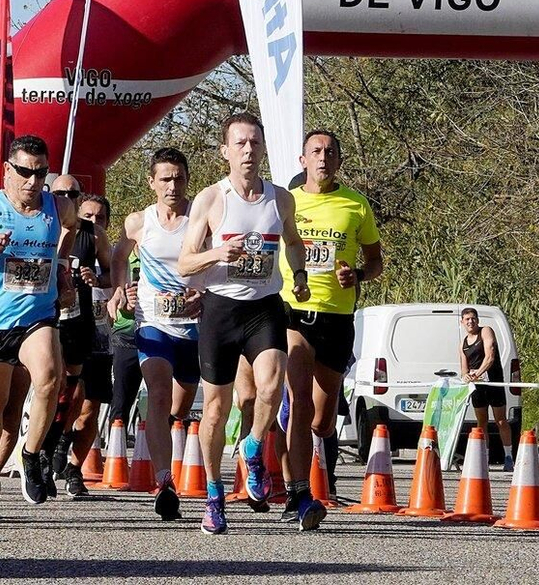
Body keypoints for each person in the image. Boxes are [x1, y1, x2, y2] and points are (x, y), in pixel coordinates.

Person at [178, 113, 314, 535]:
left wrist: (302, 275)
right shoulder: (210, 200)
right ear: (225, 152)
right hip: (221, 309)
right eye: (240, 144)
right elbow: (185, 263)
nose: (248, 150)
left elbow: (293, 243)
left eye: (254, 143)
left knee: (274, 385)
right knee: (216, 410)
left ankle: (253, 445)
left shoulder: (280, 199)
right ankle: (215, 495)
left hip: (264, 305)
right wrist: (218, 255)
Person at [0, 134, 79, 528]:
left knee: (50, 378)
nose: (32, 181)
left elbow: (72, 228)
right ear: (8, 170)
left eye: (40, 173)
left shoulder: (58, 207)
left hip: (37, 318)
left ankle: (31, 453)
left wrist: (60, 269)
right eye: (24, 172)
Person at [283, 130, 384, 506]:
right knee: (300, 403)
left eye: (330, 152)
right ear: (303, 160)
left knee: (322, 420)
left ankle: (313, 459)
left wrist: (356, 275)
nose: (323, 157)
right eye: (315, 151)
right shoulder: (285, 203)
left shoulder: (356, 205)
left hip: (337, 316)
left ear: (339, 161)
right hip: (293, 313)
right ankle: (297, 492)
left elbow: (376, 262)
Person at [115, 147, 202, 521]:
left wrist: (205, 293)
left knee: (180, 409)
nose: (172, 185)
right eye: (165, 178)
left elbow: (216, 265)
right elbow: (118, 257)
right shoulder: (139, 222)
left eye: (179, 178)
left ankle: (163, 435)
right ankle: (165, 482)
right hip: (153, 323)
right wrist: (120, 290)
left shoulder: (202, 217)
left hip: (195, 328)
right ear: (152, 182)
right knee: (160, 394)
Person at [43, 175, 111, 498]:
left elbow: (113, 271)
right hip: (46, 323)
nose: (66, 197)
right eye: (60, 193)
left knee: (84, 404)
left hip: (85, 325)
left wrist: (97, 277)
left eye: (72, 193)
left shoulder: (92, 234)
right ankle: (47, 449)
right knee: (53, 392)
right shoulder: (40, 226)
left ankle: (69, 463)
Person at [64, 193, 115, 498]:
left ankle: (74, 468)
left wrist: (100, 279)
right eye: (88, 216)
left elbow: (114, 276)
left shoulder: (104, 245)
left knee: (90, 409)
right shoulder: (66, 240)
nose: (94, 222)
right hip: (69, 331)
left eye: (100, 217)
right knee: (69, 398)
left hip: (99, 336)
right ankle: (54, 444)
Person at [458, 307, 513, 470]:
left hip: (493, 383)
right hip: (478, 387)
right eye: (467, 319)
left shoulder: (486, 332)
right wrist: (467, 376)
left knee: (500, 420)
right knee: (481, 422)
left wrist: (479, 373)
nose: (470, 321)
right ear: (462, 322)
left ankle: (508, 457)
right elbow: (463, 368)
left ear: (477, 320)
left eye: (473, 318)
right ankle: (484, 458)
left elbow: (490, 356)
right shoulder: (462, 344)